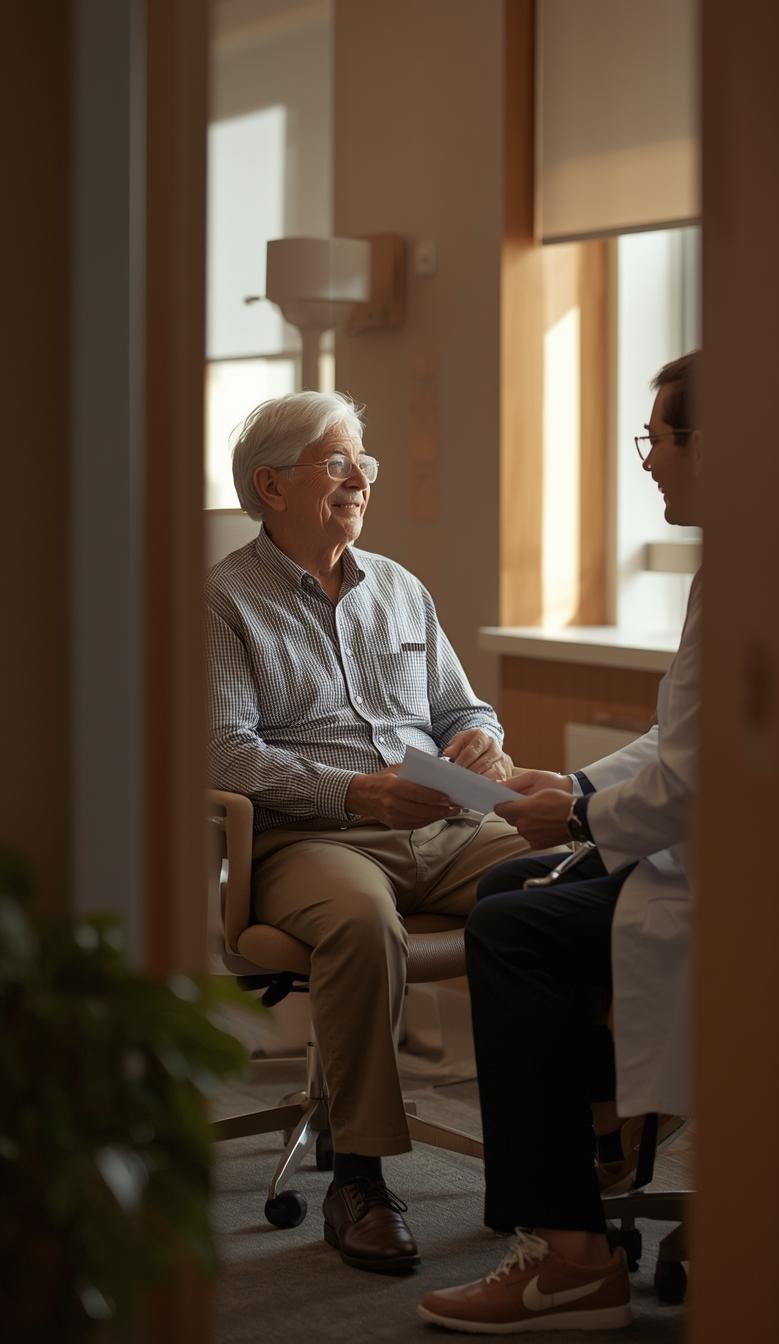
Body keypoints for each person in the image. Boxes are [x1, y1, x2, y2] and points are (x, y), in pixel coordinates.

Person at [206, 391, 532, 1275]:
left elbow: (463, 703)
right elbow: (227, 755)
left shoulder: (399, 586)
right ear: (270, 486)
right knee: (359, 921)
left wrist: (481, 739)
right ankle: (360, 1176)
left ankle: (569, 1146)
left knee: (571, 874)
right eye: (337, 461)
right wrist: (357, 794)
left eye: (364, 464)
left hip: (446, 821)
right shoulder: (223, 601)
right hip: (313, 838)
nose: (359, 479)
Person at [419, 351, 701, 1333]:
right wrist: (575, 784)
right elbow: (678, 740)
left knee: (515, 928)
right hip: (690, 850)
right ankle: (595, 1138)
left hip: (733, 881)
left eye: (655, 439)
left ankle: (571, 1254)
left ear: (709, 444)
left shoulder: (758, 570)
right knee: (510, 895)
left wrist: (579, 815)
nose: (647, 463)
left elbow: (697, 776)